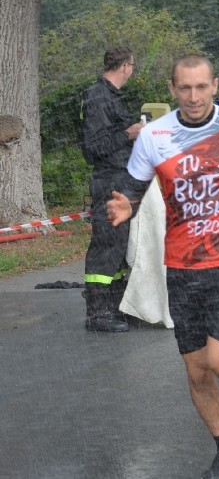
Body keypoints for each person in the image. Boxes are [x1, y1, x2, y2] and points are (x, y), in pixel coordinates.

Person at [106, 54, 219, 478]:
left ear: (215, 86)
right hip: (182, 269)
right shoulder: (154, 136)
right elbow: (134, 190)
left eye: (201, 87)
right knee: (196, 371)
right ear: (172, 89)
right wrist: (125, 207)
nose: (193, 96)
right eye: (185, 88)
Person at [80, 47, 142, 333]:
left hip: (122, 178)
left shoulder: (111, 97)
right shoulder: (97, 98)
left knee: (118, 246)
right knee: (105, 245)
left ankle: (115, 305)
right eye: (133, 66)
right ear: (126, 67)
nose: (132, 71)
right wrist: (128, 134)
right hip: (108, 181)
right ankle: (97, 313)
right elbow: (93, 149)